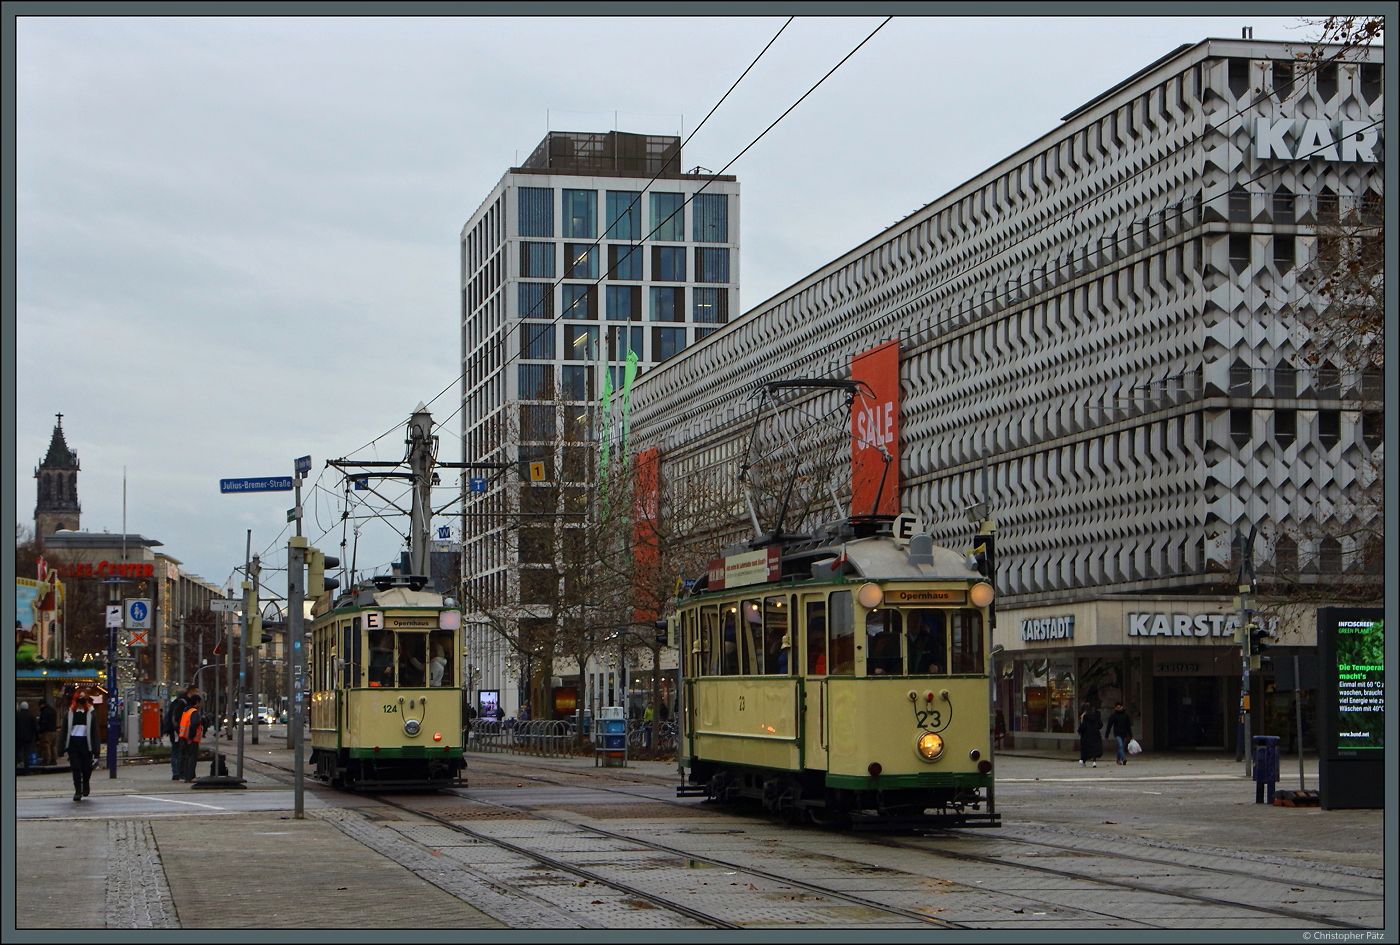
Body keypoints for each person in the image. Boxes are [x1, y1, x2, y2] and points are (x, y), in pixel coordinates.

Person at [62, 693, 101, 801]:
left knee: (86, 768)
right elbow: (64, 731)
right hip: (73, 744)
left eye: (82, 702)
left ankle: (86, 784)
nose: (80, 705)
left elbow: (95, 732)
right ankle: (78, 791)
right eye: (79, 702)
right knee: (76, 768)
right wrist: (61, 747)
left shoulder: (91, 713)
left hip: (86, 744)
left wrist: (96, 749)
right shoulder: (69, 713)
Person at [165, 686, 194, 782]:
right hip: (178, 732)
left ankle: (176, 773)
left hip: (175, 732)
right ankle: (178, 773)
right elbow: (177, 719)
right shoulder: (182, 704)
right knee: (178, 752)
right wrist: (179, 731)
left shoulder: (174, 704)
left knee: (176, 752)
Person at [177, 694, 205, 782]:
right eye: (199, 702)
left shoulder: (186, 712)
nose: (200, 705)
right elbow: (194, 724)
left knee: (186, 757)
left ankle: (185, 775)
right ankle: (190, 776)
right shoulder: (194, 712)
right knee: (192, 758)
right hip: (191, 739)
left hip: (183, 737)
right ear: (196, 702)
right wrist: (191, 737)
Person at [1077, 703, 1103, 768]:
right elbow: (1100, 724)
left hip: (1087, 734)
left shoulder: (1085, 716)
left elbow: (1083, 725)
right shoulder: (1096, 716)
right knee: (1094, 748)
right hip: (1095, 734)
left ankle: (1083, 760)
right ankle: (1094, 761)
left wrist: (1079, 731)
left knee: (1086, 748)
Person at [16, 701, 38, 771]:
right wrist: (37, 738)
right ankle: (26, 768)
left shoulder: (16, 715)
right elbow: (35, 727)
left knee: (17, 751)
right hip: (28, 737)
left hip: (18, 737)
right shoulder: (31, 716)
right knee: (26, 752)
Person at [38, 699, 58, 766]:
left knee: (46, 746)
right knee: (53, 746)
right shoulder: (52, 710)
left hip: (46, 731)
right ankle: (54, 759)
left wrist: (40, 731)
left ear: (41, 705)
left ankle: (46, 760)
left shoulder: (44, 712)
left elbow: (43, 722)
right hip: (54, 731)